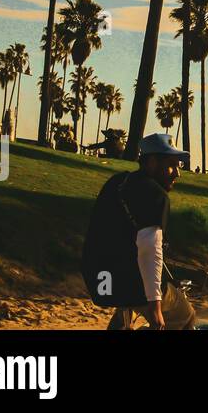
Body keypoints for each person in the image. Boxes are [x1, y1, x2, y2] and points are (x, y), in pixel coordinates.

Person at [81, 133, 196, 330]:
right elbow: (149, 250)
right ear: (151, 163)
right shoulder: (156, 195)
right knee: (186, 316)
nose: (177, 173)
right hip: (129, 282)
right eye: (172, 165)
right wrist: (154, 305)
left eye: (179, 166)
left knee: (127, 307)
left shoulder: (117, 182)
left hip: (99, 280)